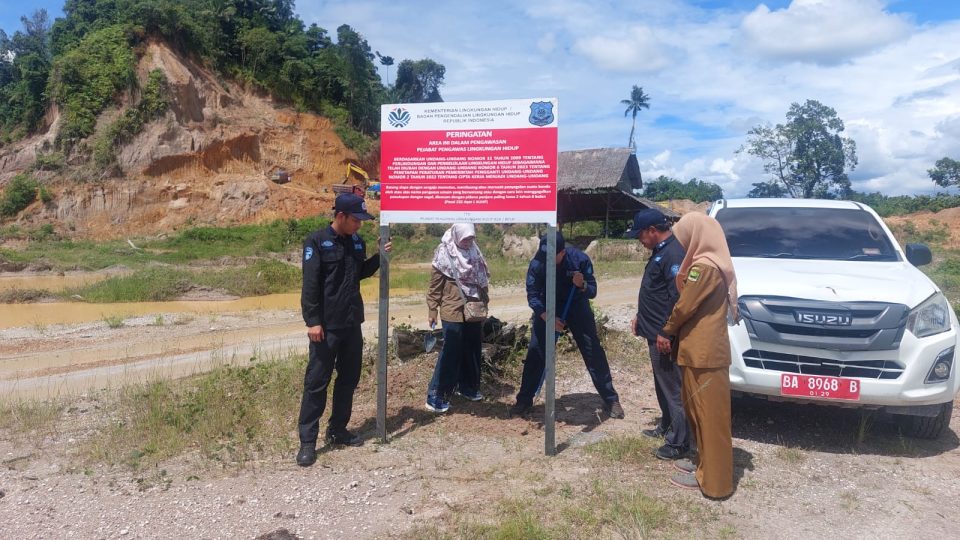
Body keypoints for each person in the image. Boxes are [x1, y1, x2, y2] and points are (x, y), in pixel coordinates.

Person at [295, 193, 392, 467]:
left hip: (351, 324)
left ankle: (338, 430)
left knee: (348, 379)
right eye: (356, 220)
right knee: (317, 382)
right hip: (326, 327)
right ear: (341, 216)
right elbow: (310, 284)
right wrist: (313, 321)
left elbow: (359, 272)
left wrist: (379, 257)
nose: (359, 225)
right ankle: (307, 442)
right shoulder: (317, 241)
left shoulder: (357, 242)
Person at [658, 212, 739, 498]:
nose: (682, 244)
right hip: (699, 352)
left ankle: (715, 483)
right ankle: (704, 466)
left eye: (684, 238)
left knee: (711, 419)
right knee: (699, 414)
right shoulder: (706, 264)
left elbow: (684, 306)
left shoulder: (704, 268)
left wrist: (666, 329)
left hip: (705, 354)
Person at [510, 232, 624, 419]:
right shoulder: (537, 263)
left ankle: (611, 399)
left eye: (551, 256)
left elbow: (592, 291)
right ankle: (524, 400)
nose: (546, 260)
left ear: (562, 253)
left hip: (576, 306)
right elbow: (533, 295)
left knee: (592, 350)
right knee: (536, 352)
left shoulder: (579, 260)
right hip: (547, 308)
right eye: (544, 256)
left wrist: (582, 284)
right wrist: (547, 317)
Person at [623, 208, 692, 461]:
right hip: (654, 332)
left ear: (652, 231)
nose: (639, 241)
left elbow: (677, 298)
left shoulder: (673, 253)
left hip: (663, 336)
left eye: (640, 235)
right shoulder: (661, 252)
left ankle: (679, 442)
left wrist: (666, 332)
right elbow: (656, 293)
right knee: (662, 384)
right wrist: (640, 317)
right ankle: (667, 425)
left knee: (673, 388)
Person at [425, 223, 490, 413]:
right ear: (456, 235)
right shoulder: (444, 253)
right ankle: (436, 395)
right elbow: (435, 285)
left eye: (471, 238)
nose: (468, 241)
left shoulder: (474, 252)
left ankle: (468, 387)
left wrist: (485, 303)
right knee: (451, 349)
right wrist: (432, 309)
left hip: (474, 307)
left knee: (472, 346)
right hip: (452, 307)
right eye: (465, 238)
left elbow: (482, 280)